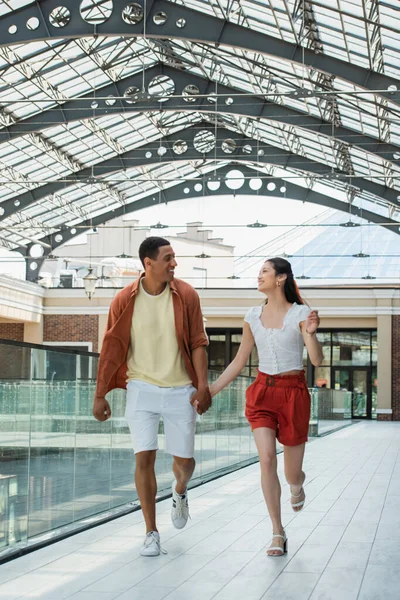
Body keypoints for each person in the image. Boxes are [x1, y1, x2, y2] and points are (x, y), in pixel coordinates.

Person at [92, 237, 211, 557]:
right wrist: (100, 393)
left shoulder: (186, 295)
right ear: (149, 263)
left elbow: (199, 343)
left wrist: (203, 386)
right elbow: (111, 347)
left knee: (184, 462)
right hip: (140, 388)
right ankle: (151, 532)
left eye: (174, 258)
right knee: (144, 456)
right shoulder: (123, 299)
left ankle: (180, 490)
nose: (174, 264)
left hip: (180, 390)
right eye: (168, 258)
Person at [200, 257, 323, 557]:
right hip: (262, 393)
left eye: (264, 272)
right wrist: (211, 390)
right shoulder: (252, 315)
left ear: (280, 279)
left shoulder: (302, 313)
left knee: (292, 473)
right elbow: (240, 359)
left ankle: (297, 484)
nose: (259, 276)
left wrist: (311, 333)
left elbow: (317, 361)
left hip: (293, 394)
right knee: (267, 459)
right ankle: (277, 532)